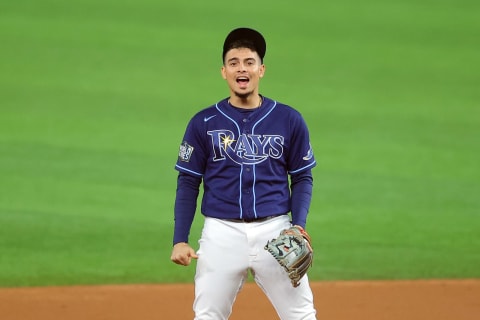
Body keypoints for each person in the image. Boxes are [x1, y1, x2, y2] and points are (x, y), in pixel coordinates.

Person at [170, 27, 317, 320]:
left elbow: (302, 177)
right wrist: (180, 239)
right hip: (220, 233)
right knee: (208, 316)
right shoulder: (203, 122)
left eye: (249, 62)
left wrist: (297, 226)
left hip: (276, 231)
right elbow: (188, 181)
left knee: (301, 316)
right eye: (234, 62)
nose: (242, 68)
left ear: (261, 70)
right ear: (224, 71)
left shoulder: (288, 119)